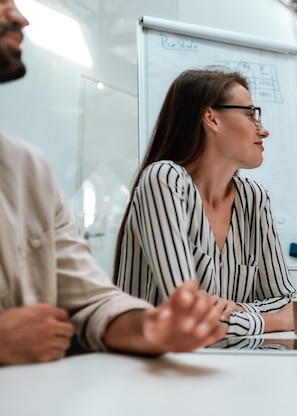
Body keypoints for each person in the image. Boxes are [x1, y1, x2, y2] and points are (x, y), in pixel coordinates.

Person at [0, 0, 226, 365]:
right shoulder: (163, 180)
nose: (20, 17)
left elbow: (94, 302)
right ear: (209, 119)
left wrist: (154, 327)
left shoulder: (27, 170)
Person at [113, 67, 295, 337]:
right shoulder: (164, 181)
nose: (263, 130)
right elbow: (191, 319)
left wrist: (238, 312)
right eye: (250, 115)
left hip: (225, 368)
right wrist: (274, 321)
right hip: (154, 371)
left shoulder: (253, 198)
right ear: (211, 118)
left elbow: (288, 302)